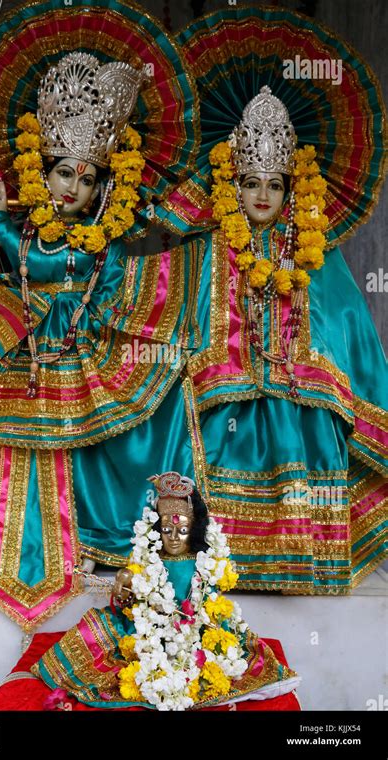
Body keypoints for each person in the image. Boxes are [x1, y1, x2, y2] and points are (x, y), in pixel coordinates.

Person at [0, 1, 202, 629]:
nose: (71, 187)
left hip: (82, 346)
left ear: (105, 187)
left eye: (87, 177)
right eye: (61, 172)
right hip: (23, 344)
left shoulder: (97, 240)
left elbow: (55, 269)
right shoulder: (25, 226)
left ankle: (93, 544)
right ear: (40, 173)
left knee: (90, 443)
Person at [156, 7, 387, 594]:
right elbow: (167, 295)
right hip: (222, 397)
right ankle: (215, 574)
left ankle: (296, 566)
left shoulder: (315, 251)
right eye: (250, 183)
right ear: (233, 184)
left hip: (295, 396)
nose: (262, 196)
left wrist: (309, 367)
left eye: (274, 184)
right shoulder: (211, 243)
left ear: (291, 186)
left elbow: (344, 324)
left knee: (301, 425)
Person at [27, 471, 299, 711]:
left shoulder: (204, 560)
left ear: (194, 530)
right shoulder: (148, 556)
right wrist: (125, 586)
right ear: (157, 530)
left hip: (195, 632)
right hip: (146, 630)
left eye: (182, 530)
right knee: (95, 630)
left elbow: (209, 602)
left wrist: (190, 623)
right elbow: (128, 602)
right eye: (167, 530)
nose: (174, 537)